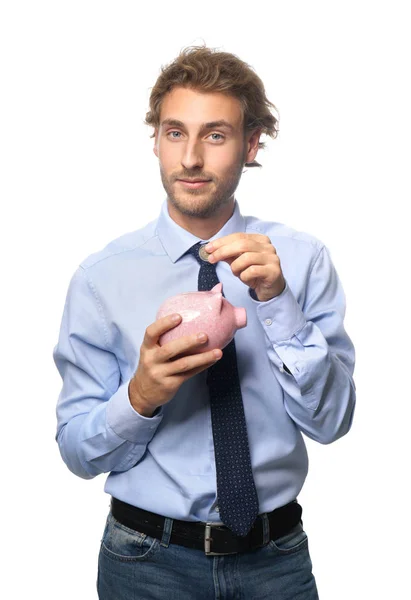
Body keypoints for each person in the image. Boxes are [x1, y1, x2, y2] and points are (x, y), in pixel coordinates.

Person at [53, 44, 356, 600]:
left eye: (215, 135)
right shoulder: (101, 278)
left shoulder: (301, 261)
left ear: (251, 145)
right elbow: (76, 451)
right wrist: (140, 395)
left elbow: (333, 421)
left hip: (276, 561)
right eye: (175, 133)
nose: (191, 157)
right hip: (145, 562)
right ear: (156, 141)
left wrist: (279, 301)